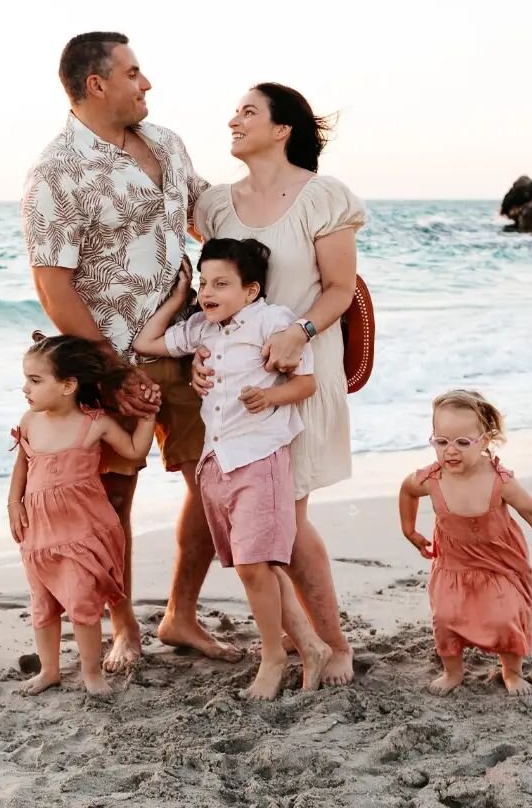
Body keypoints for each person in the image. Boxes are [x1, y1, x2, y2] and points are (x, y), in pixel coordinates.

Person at [21, 31, 237, 671]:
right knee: (111, 500)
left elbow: (209, 215)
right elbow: (52, 285)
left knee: (211, 479)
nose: (147, 84)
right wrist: (112, 373)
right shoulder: (56, 174)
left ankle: (180, 614)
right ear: (97, 84)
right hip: (110, 359)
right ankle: (122, 628)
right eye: (135, 72)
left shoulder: (167, 143)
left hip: (192, 342)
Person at [193, 83, 365, 685]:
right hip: (236, 398)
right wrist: (202, 353)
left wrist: (298, 331)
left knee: (286, 521)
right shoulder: (216, 204)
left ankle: (329, 644)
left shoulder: (323, 198)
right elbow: (219, 291)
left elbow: (341, 288)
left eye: (248, 111)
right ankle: (305, 643)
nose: (233, 118)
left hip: (301, 376)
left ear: (282, 128)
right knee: (273, 525)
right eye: (235, 108)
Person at [135, 239, 333, 699]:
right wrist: (178, 297)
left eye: (221, 283)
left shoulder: (273, 322)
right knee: (255, 565)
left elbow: (305, 382)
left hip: (259, 457)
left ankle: (273, 657)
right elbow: (147, 343)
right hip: (217, 459)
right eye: (204, 282)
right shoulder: (202, 328)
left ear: (251, 290)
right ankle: (310, 646)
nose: (209, 291)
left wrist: (269, 397)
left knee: (252, 565)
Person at [398, 390, 532, 696]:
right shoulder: (431, 478)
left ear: (484, 441)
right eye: (441, 442)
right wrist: (410, 531)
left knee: (505, 617)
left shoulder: (499, 481)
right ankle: (452, 672)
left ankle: (511, 672)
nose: (450, 451)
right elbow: (407, 491)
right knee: (446, 617)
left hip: (500, 562)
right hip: (454, 563)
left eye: (462, 443)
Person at [8, 333, 156, 696]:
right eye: (26, 379)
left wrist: (149, 416)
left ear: (68, 385)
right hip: (39, 533)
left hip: (82, 530)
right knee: (42, 606)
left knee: (83, 605)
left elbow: (135, 452)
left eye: (35, 380)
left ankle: (92, 674)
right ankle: (49, 671)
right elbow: (22, 465)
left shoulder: (95, 423)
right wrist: (13, 503)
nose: (25, 387)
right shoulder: (30, 420)